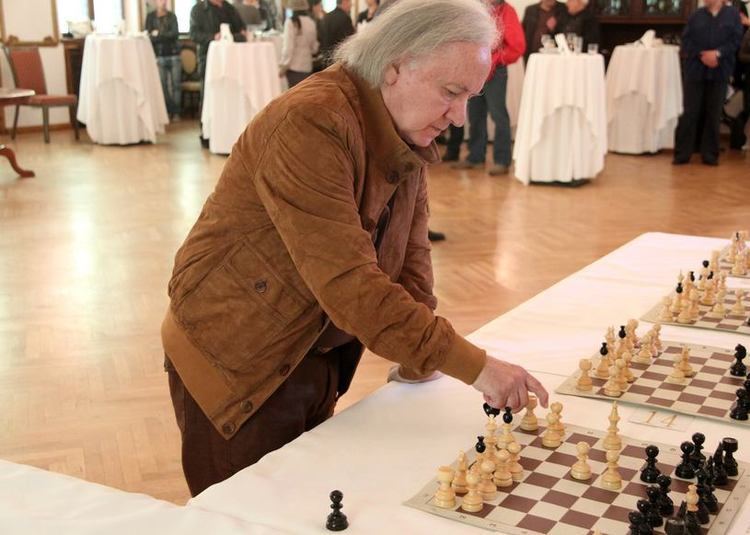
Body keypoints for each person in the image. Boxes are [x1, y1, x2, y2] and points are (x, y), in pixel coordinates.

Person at [162, 0, 548, 497]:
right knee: (247, 516)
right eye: (451, 93)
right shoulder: (310, 122)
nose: (459, 117)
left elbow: (412, 265)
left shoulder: (403, 129)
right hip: (237, 361)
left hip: (309, 352)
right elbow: (350, 285)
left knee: (300, 507)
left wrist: (422, 360)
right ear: (394, 67)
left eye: (470, 97)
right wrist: (478, 368)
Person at [452, 0, 525, 176]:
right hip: (475, 69)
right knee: (475, 114)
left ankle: (502, 160)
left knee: (498, 115)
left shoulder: (507, 11)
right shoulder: (476, 8)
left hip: (496, 71)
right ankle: (475, 157)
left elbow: (517, 46)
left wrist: (496, 59)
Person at [673, 0, 743, 165]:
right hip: (695, 71)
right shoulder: (695, 16)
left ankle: (710, 154)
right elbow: (687, 40)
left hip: (720, 70)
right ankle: (682, 153)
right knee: (690, 112)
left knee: (714, 113)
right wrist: (703, 55)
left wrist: (717, 54)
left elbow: (735, 40)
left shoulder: (733, 15)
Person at [189, 0, 246, 146]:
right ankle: (207, 134)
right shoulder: (198, 9)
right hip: (208, 59)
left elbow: (241, 29)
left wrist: (237, 35)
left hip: (231, 60)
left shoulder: (230, 8)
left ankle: (228, 133)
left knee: (229, 96)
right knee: (208, 95)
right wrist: (213, 37)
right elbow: (194, 34)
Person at [146, 0, 181, 121]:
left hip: (174, 54)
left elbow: (174, 34)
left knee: (176, 85)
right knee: (162, 85)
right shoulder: (150, 17)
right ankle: (169, 110)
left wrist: (158, 35)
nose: (164, 2)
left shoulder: (172, 16)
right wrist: (164, 35)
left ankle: (176, 113)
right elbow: (149, 36)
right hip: (159, 55)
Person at [279, 0, 319, 87]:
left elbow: (288, 47)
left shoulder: (290, 22)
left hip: (294, 68)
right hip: (307, 67)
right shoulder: (311, 22)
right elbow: (314, 48)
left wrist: (283, 67)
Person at [521, 0, 566, 64]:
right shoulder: (530, 10)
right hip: (532, 55)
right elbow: (523, 31)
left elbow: (568, 32)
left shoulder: (563, 9)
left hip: (554, 57)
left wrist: (554, 29)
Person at [319, 0, 354, 67]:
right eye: (350, 2)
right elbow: (349, 41)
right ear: (344, 1)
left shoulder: (327, 16)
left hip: (325, 58)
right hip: (338, 59)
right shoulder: (345, 18)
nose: (351, 5)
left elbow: (320, 37)